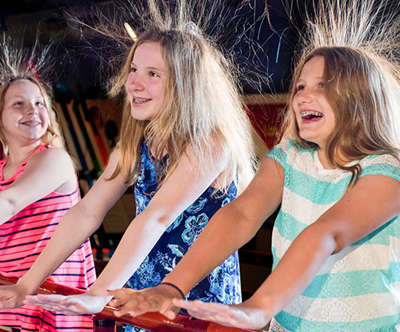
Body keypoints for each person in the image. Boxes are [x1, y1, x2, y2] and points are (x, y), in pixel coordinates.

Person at [90, 3, 400, 332]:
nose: (303, 97)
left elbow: (326, 234)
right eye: (300, 87)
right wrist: (172, 286)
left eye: (321, 87)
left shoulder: (386, 171)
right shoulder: (288, 157)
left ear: (359, 97)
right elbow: (242, 215)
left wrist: (257, 308)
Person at [3, 13, 256, 332]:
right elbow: (86, 211)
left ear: (185, 84)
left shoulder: (211, 142)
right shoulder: (137, 141)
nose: (133, 82)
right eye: (134, 70)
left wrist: (98, 293)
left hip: (195, 300)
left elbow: (156, 217)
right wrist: (28, 283)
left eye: (152, 74)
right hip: (140, 293)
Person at [0, 58, 96, 330]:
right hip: (9, 299)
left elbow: (9, 202)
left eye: (39, 103)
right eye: (19, 103)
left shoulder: (55, 159)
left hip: (50, 298)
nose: (32, 110)